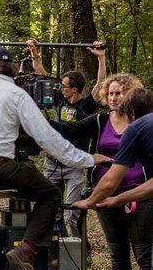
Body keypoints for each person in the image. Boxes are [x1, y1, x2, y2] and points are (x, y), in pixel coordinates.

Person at [0, 46, 110, 270]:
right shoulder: (17, 94)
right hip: (5, 167)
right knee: (50, 194)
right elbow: (47, 138)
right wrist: (87, 159)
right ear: (13, 69)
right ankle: (26, 249)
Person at [50, 74, 147, 270]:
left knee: (144, 254)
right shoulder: (99, 120)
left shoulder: (141, 122)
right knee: (117, 252)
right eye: (111, 93)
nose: (114, 98)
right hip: (104, 194)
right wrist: (38, 122)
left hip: (140, 194)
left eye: (119, 93)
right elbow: (68, 130)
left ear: (130, 95)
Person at [72, 88, 153, 270]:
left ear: (130, 113)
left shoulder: (137, 129)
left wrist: (89, 201)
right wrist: (115, 201)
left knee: (150, 269)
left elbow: (110, 180)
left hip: (133, 202)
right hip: (128, 199)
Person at [28, 39, 107, 240]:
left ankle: (80, 249)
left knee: (74, 212)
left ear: (74, 89)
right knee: (54, 212)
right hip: (52, 162)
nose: (61, 88)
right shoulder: (59, 99)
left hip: (73, 165)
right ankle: (60, 248)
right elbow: (42, 76)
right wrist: (34, 52)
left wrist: (101, 58)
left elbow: (100, 86)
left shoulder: (85, 106)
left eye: (64, 86)